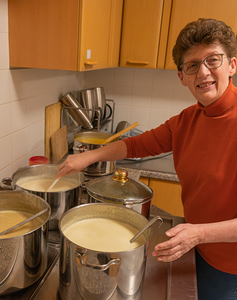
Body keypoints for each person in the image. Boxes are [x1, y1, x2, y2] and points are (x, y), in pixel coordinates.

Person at [56, 18, 237, 299]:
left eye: (213, 60)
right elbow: (139, 144)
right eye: (192, 65)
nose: (203, 72)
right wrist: (89, 156)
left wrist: (199, 234)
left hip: (229, 266)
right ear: (182, 77)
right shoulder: (188, 120)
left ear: (232, 65)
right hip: (192, 245)